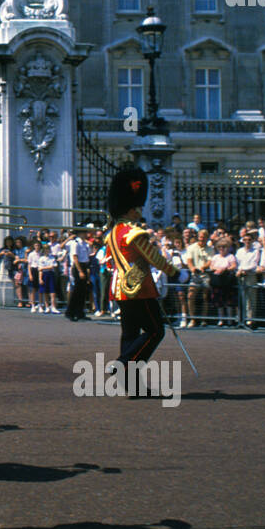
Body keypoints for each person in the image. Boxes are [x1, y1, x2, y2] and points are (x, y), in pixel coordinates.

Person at [103, 166, 179, 396]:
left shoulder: (112, 233)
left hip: (118, 288)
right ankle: (124, 362)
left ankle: (133, 387)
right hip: (139, 288)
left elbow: (108, 262)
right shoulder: (134, 233)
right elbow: (154, 258)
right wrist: (175, 272)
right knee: (156, 331)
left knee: (130, 334)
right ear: (132, 208)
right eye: (137, 206)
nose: (140, 210)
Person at [235, 229, 264, 328]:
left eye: (249, 240)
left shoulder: (256, 251)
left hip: (251, 275)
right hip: (241, 276)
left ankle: (250, 320)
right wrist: (240, 270)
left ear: (252, 241)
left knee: (251, 299)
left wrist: (244, 270)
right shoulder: (239, 251)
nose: (247, 242)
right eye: (245, 240)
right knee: (242, 299)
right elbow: (237, 263)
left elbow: (254, 264)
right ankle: (241, 320)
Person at [207, 240, 237, 328]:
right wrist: (217, 268)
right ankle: (221, 319)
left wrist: (224, 269)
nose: (222, 249)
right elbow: (211, 266)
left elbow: (233, 266)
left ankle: (229, 320)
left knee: (228, 301)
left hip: (227, 280)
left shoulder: (230, 256)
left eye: (224, 247)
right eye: (220, 247)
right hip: (217, 281)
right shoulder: (215, 257)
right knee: (218, 301)